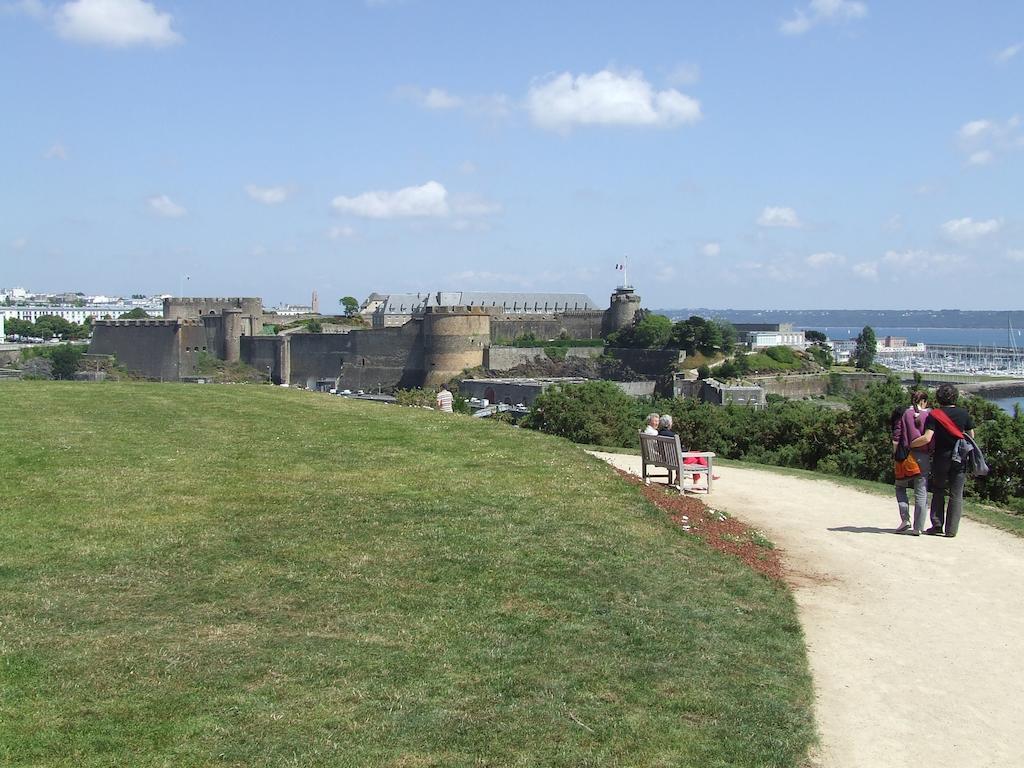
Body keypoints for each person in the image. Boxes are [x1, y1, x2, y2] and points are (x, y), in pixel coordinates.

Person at [910, 383, 974, 538]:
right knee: (956, 494)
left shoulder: (935, 414)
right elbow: (971, 436)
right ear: (955, 397)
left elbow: (927, 437)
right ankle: (952, 530)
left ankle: (937, 525)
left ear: (939, 398)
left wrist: (911, 444)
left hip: (941, 457)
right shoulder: (964, 414)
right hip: (959, 458)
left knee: (939, 490)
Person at [891, 390, 931, 535]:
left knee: (900, 487)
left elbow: (897, 436)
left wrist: (895, 453)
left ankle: (904, 518)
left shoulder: (905, 414)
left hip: (906, 455)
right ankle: (918, 526)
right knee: (921, 491)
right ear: (924, 401)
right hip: (924, 455)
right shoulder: (929, 415)